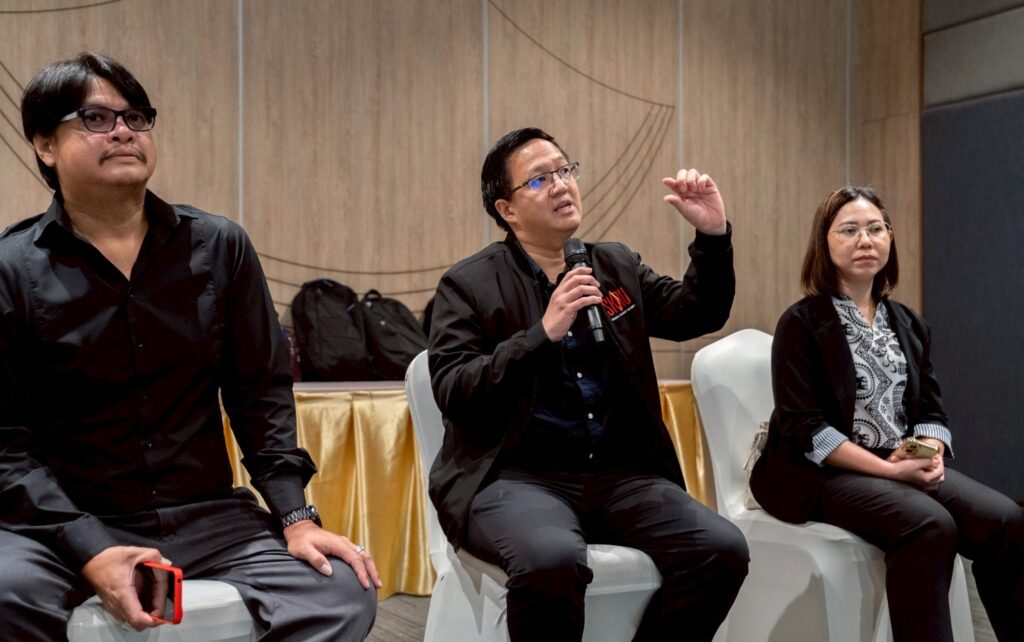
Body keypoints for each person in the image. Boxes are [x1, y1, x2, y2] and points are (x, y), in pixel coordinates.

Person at [0, 52, 379, 641]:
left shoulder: (218, 247)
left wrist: (296, 518)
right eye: (96, 118)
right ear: (46, 144)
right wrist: (91, 547)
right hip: (65, 525)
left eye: (135, 117)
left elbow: (261, 396)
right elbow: (7, 445)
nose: (123, 131)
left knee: (339, 590)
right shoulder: (10, 267)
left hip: (206, 520)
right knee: (7, 592)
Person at [427, 127, 749, 641]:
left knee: (721, 549)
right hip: (516, 478)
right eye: (539, 179)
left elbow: (697, 312)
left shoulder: (613, 265)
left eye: (565, 170)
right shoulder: (470, 284)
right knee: (550, 561)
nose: (561, 185)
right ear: (507, 209)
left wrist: (712, 237)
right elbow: (454, 388)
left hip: (622, 477)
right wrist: (541, 334)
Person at [750, 186, 1024, 642]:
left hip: (895, 461)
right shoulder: (800, 323)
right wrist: (889, 472)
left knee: (1007, 521)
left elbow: (930, 409)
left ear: (889, 238)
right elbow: (805, 428)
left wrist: (929, 454)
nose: (865, 240)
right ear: (824, 242)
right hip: (820, 473)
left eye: (875, 228)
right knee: (930, 524)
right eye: (849, 230)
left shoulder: (908, 322)